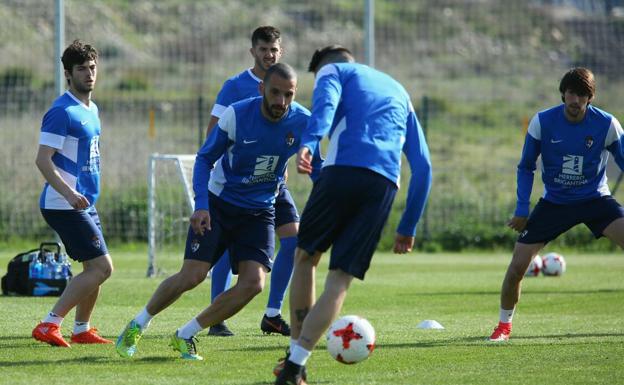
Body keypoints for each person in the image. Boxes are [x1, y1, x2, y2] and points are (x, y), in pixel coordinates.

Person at [116, 63, 322, 360]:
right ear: (261, 88)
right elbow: (204, 159)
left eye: (288, 95)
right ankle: (137, 324)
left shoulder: (303, 121)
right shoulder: (237, 115)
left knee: (253, 283)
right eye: (275, 92)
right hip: (220, 205)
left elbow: (316, 166)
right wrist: (201, 205)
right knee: (192, 276)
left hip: (261, 210)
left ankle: (185, 334)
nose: (281, 102)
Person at [274, 45, 432, 385]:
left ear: (325, 69)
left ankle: (293, 359)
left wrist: (310, 141)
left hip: (342, 171)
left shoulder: (335, 72)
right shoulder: (399, 91)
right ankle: (296, 363)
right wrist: (408, 226)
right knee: (340, 279)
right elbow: (423, 167)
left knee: (305, 257)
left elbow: (326, 107)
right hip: (384, 185)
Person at [488, 67, 624, 342]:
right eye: (571, 93)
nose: (576, 99)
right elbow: (526, 167)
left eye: (582, 94)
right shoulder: (542, 122)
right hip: (555, 203)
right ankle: (503, 327)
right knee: (517, 267)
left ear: (590, 97)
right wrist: (522, 209)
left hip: (595, 200)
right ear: (563, 94)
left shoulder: (607, 124)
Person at [205, 25, 297, 337]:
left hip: (272, 183)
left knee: (295, 238)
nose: (269, 55)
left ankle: (272, 313)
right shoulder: (235, 86)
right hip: (236, 185)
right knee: (226, 245)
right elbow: (213, 132)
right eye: (263, 50)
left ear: (280, 51)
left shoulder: (285, 84)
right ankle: (216, 316)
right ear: (252, 52)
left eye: (274, 50)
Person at [31, 40, 113, 347]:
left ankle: (82, 329)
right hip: (63, 203)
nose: (89, 74)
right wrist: (68, 194)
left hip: (84, 201)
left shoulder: (92, 109)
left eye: (92, 67)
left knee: (93, 268)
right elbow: (42, 159)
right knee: (103, 267)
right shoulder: (61, 111)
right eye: (82, 69)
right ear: (68, 73)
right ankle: (49, 324)